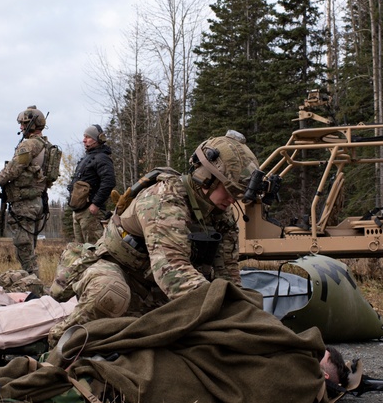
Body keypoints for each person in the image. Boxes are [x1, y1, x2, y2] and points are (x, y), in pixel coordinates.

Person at [47, 133, 258, 343]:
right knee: (110, 294)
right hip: (120, 272)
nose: (233, 199)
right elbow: (172, 271)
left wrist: (243, 314)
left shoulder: (222, 213)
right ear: (207, 178)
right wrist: (220, 311)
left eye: (239, 193)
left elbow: (228, 275)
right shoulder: (165, 200)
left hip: (156, 289)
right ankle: (61, 343)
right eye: (230, 189)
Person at [0, 106, 53, 276]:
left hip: (24, 204)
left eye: (24, 124)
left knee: (24, 249)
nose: (21, 127)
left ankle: (33, 286)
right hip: (38, 202)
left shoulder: (28, 145)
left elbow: (11, 171)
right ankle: (32, 283)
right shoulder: (48, 146)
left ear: (32, 125)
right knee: (30, 247)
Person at [66, 124, 115, 243]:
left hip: (91, 213)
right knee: (80, 250)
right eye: (84, 137)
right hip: (79, 211)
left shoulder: (102, 158)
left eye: (88, 137)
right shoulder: (87, 158)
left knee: (94, 250)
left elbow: (109, 182)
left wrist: (96, 204)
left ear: (97, 140)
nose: (84, 140)